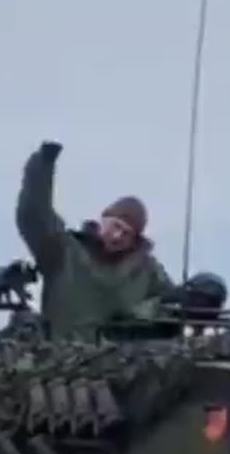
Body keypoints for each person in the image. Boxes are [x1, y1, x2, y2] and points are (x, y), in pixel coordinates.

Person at [15, 140, 175, 339]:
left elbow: (171, 305)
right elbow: (35, 216)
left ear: (134, 241)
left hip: (122, 362)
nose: (117, 236)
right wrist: (42, 166)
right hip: (61, 357)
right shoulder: (65, 252)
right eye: (116, 226)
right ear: (103, 219)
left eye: (126, 234)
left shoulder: (146, 272)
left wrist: (197, 295)